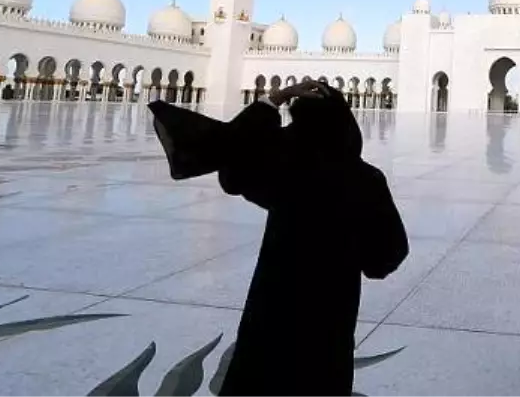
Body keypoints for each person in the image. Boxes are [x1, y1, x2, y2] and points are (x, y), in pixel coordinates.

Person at [148, 79, 409, 396]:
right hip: (329, 312)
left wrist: (274, 100)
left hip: (273, 305)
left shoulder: (285, 168)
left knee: (261, 374)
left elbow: (233, 167)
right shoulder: (366, 180)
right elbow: (387, 255)